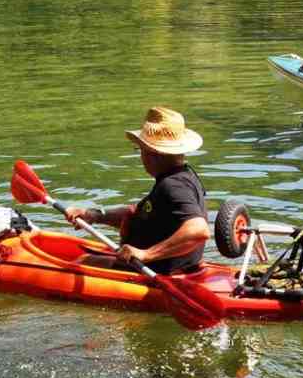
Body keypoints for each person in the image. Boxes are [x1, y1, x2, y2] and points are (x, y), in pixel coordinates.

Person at [62, 107, 210, 274]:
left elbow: (198, 230)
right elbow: (139, 215)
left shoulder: (173, 186)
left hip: (155, 272)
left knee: (83, 262)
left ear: (153, 153)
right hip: (170, 266)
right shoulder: (184, 175)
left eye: (141, 149)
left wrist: (146, 254)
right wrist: (94, 215)